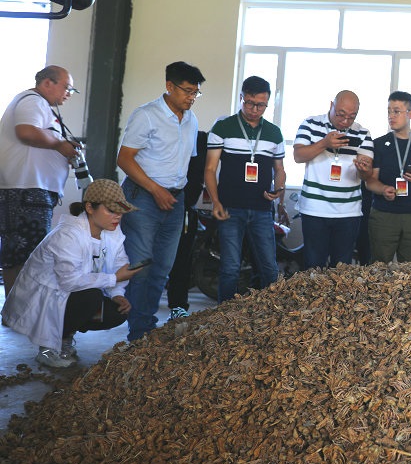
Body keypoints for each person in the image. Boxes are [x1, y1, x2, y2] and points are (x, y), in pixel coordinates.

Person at [1, 179, 141, 368]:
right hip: (46, 300)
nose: (117, 216)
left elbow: (119, 264)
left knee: (115, 312)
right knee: (91, 297)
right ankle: (48, 349)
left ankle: (65, 336)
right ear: (90, 208)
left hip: (69, 297)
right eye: (111, 210)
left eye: (120, 211)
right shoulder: (68, 235)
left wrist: (117, 294)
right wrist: (114, 278)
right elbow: (69, 281)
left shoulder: (112, 232)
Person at [117, 61, 205, 342]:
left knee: (162, 269)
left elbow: (186, 163)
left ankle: (146, 325)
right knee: (141, 267)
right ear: (169, 86)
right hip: (143, 198)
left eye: (196, 92)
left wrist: (180, 195)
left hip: (175, 200)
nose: (192, 97)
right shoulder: (146, 115)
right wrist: (155, 189)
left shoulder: (191, 120)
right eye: (188, 91)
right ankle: (138, 333)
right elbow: (124, 159)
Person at [0, 65, 80, 295]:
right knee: (23, 252)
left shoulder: (40, 105)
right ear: (47, 83)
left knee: (27, 251)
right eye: (67, 88)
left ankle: (19, 306)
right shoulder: (33, 101)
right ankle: (18, 308)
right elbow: (26, 131)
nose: (69, 94)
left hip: (32, 189)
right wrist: (59, 144)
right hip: (26, 190)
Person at [205, 76, 286, 302]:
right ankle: (224, 316)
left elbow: (280, 169)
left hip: (262, 208)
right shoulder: (223, 127)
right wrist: (216, 202)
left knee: (269, 267)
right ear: (241, 97)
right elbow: (210, 169)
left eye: (261, 105)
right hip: (230, 208)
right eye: (249, 103)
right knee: (230, 267)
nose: (254, 110)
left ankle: (271, 314)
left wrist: (278, 189)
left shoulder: (274, 132)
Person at [293, 90, 374, 268]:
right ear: (331, 106)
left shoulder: (362, 133)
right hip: (314, 209)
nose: (345, 121)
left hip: (348, 212)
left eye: (351, 117)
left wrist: (364, 169)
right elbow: (298, 156)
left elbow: (366, 176)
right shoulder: (310, 124)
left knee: (342, 270)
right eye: (340, 114)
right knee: (313, 267)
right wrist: (324, 143)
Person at [365, 91, 411, 263]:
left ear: (410, 114)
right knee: (379, 267)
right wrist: (383, 189)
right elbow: (370, 181)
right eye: (389, 111)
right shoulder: (379, 144)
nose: (391, 116)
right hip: (384, 215)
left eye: (396, 111)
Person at [165, 131, 207, 320]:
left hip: (187, 209)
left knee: (182, 259)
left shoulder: (202, 140)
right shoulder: (196, 138)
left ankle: (178, 306)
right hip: (163, 203)